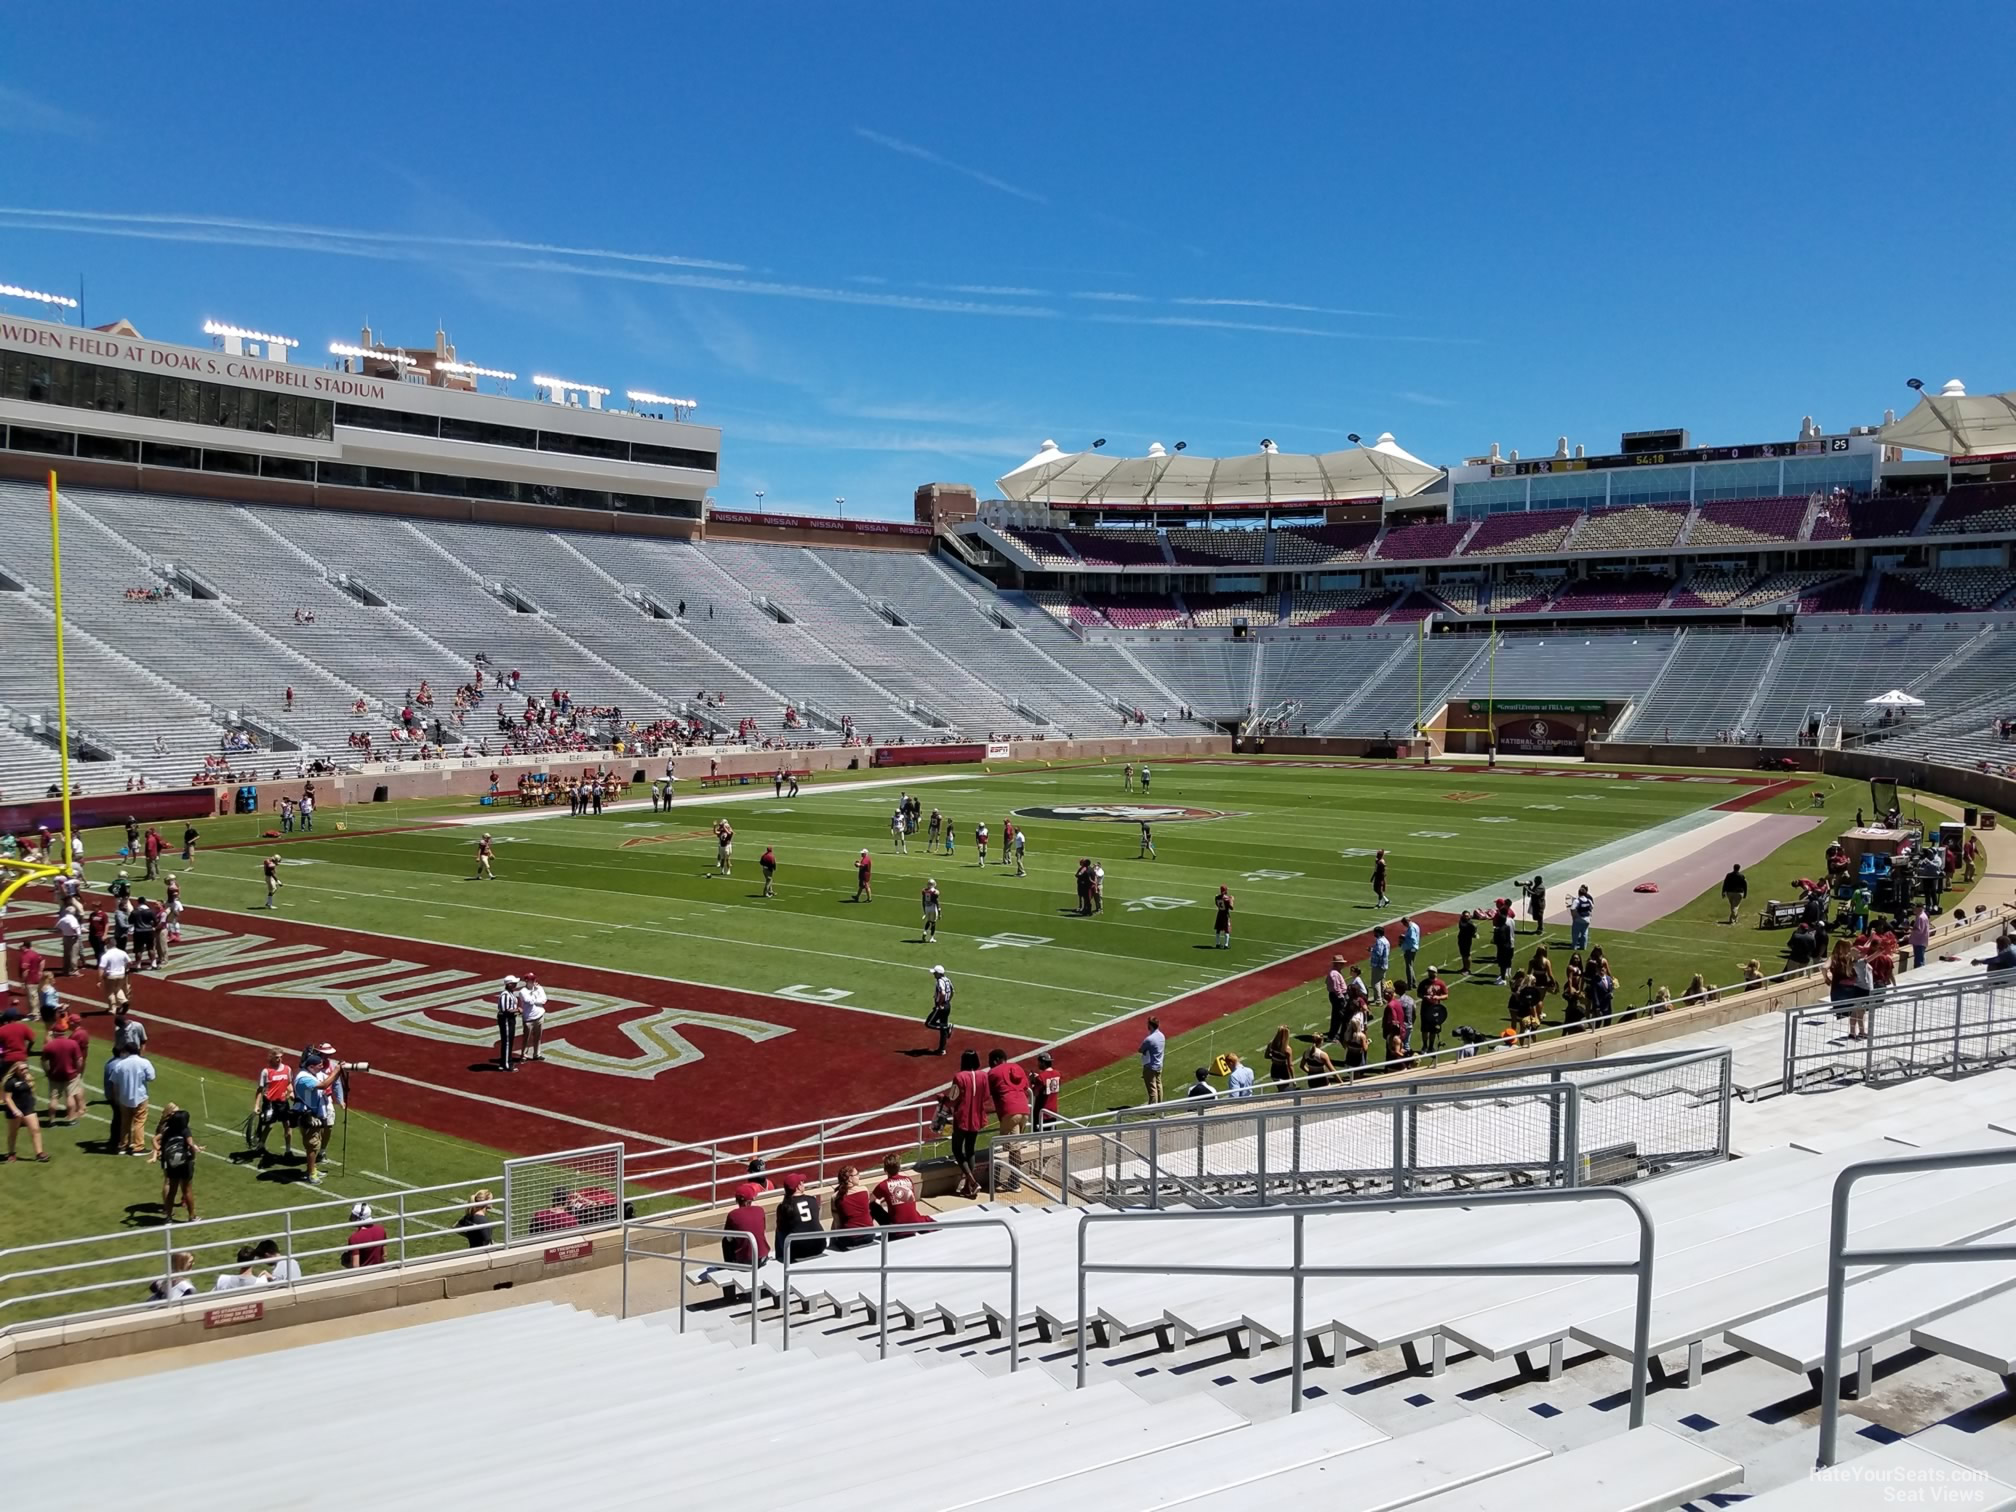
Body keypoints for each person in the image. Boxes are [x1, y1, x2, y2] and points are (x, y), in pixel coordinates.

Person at [946, 1049, 990, 1197]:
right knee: (970, 1149)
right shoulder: (983, 1075)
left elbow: (953, 1098)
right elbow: (986, 1096)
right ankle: (967, 1187)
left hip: (962, 1118)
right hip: (977, 1117)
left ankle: (972, 1181)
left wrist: (942, 1099)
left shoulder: (959, 1077)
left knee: (957, 1149)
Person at [103, 1040, 156, 1156]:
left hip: (124, 1097)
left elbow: (114, 1082)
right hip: (140, 1096)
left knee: (125, 1122)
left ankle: (123, 1146)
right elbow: (151, 1077)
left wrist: (116, 1097)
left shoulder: (120, 1064)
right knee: (139, 1121)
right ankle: (138, 1147)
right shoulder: (144, 1062)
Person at [291, 1055, 338, 1184]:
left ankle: (312, 1169)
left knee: (315, 1143)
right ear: (311, 1066)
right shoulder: (305, 1078)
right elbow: (324, 1085)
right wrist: (336, 1071)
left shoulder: (309, 1075)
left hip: (312, 1113)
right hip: (307, 1115)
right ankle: (311, 1174)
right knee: (312, 1145)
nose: (322, 1067)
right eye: (319, 1065)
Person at [151, 1102, 199, 1220]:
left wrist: (160, 1150)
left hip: (171, 1164)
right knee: (187, 1190)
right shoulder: (185, 1130)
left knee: (172, 1190)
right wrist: (194, 1153)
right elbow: (190, 1145)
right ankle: (192, 1216)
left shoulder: (167, 1130)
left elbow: (155, 1140)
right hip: (184, 1163)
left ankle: (168, 1217)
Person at [252, 1048, 295, 1163]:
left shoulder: (287, 1069)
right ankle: (261, 1145)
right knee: (269, 1125)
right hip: (270, 1103)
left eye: (281, 1057)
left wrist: (291, 1093)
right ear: (271, 1057)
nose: (279, 1059)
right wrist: (256, 1105)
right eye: (277, 1057)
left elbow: (289, 1084)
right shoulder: (266, 1072)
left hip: (283, 1103)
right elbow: (260, 1090)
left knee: (287, 1125)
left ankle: (288, 1150)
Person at [773, 1171, 826, 1263]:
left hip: (797, 1250)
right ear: (798, 1187)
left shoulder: (783, 1207)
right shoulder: (812, 1200)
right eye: (802, 1182)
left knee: (779, 1230)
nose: (803, 1184)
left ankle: (780, 1256)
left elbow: (782, 1228)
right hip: (819, 1245)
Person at [871, 1154, 931, 1233]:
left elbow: (869, 1199)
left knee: (872, 1206)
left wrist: (880, 1201)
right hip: (915, 1222)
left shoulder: (883, 1185)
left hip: (896, 1229)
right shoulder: (908, 1179)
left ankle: (866, 1231)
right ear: (899, 1168)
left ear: (885, 1170)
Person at [40, 1020, 84, 1126]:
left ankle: (51, 1120)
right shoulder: (73, 1043)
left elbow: (43, 1061)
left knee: (54, 1098)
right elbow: (79, 1060)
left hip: (55, 1075)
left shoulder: (49, 1045)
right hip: (70, 1075)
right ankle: (71, 1119)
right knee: (70, 1096)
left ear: (54, 1033)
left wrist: (47, 1072)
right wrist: (78, 1071)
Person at [719, 1182, 770, 1271]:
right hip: (762, 1257)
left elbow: (728, 1238)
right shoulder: (760, 1210)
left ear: (737, 1200)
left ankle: (731, 1267)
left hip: (745, 1261)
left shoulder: (733, 1215)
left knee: (726, 1241)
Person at [3, 1059, 46, 1163]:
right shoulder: (10, 1082)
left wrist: (32, 1100)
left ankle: (39, 1154)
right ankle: (12, 1153)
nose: (25, 1070)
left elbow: (30, 1091)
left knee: (35, 1129)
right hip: (14, 1109)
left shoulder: (28, 1078)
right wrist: (15, 1110)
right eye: (22, 1069)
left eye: (26, 1068)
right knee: (13, 1132)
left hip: (28, 1108)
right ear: (16, 1070)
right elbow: (7, 1098)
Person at [1829, 937, 1870, 1040]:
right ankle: (1858, 1032)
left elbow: (1865, 949)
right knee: (1858, 1013)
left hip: (1861, 989)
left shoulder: (1857, 960)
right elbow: (1871, 954)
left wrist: (1871, 937)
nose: (1860, 951)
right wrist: (1881, 950)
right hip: (1860, 989)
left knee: (1858, 1012)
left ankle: (1858, 1031)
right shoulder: (1859, 962)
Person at [830, 1165, 874, 1250]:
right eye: (857, 1174)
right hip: (869, 1235)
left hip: (849, 1239)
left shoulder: (835, 1197)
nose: (859, 1176)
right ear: (850, 1179)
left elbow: (837, 1223)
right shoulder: (864, 1190)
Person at [987, 1047, 1029, 1135]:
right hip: (1025, 1111)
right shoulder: (1017, 1067)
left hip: (1009, 1111)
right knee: (1015, 1142)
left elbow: (987, 1092)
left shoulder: (993, 1072)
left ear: (996, 1060)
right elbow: (1026, 1087)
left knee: (1009, 1144)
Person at [342, 1203, 389, 1268]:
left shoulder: (355, 1238)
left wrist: (346, 1264)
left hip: (364, 1273)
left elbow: (355, 1266)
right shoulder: (381, 1230)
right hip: (378, 1270)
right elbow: (384, 1256)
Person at [924, 964, 955, 1056]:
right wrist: (948, 1001)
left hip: (941, 1006)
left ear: (938, 974)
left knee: (929, 1023)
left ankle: (947, 1027)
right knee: (942, 1027)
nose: (934, 975)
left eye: (935, 973)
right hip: (947, 1005)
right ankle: (942, 1049)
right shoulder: (947, 980)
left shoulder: (940, 981)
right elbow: (953, 991)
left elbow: (942, 992)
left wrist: (939, 1004)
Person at [494, 974, 522, 1071]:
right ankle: (507, 1064)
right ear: (509, 984)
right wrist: (518, 1010)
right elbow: (505, 1009)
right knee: (507, 1042)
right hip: (506, 1019)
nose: (515, 984)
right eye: (514, 983)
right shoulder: (505, 995)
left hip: (509, 1019)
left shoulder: (510, 993)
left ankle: (503, 1062)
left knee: (508, 1041)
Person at [519, 972, 548, 1061]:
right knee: (526, 1038)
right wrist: (535, 996)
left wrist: (535, 997)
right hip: (529, 1018)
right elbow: (529, 1001)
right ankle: (524, 1055)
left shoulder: (539, 988)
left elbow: (544, 1000)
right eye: (532, 980)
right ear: (526, 981)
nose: (534, 981)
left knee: (538, 1037)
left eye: (534, 979)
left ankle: (537, 1054)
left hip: (539, 1016)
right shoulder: (523, 991)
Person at [1419, 971, 1450, 1055]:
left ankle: (1431, 1047)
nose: (1431, 974)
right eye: (1430, 972)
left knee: (1433, 1029)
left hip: (1436, 1009)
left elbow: (1446, 995)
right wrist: (1425, 996)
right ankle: (1425, 1046)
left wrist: (1438, 997)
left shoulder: (1440, 983)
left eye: (1433, 973)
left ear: (1436, 973)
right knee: (1424, 1029)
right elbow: (1419, 994)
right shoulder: (1423, 983)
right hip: (1425, 1009)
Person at [1139, 1015, 1166, 1104]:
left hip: (1150, 1066)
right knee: (1159, 1085)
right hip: (1159, 1065)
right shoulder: (1162, 1036)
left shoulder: (1149, 1039)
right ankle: (1160, 1104)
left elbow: (1141, 1050)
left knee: (1152, 1090)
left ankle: (1152, 1109)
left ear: (1150, 1025)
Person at [1031, 1051, 1062, 1128]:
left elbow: (1035, 1093)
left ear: (1043, 1063)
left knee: (1040, 1137)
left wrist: (1032, 1082)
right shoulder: (1058, 1074)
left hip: (1042, 1114)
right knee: (1052, 1136)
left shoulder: (1041, 1078)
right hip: (1053, 1112)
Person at [1569, 885, 1595, 952]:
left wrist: (1574, 916)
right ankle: (1583, 947)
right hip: (1587, 920)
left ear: (1579, 893)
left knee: (1575, 934)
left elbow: (1572, 909)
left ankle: (1574, 946)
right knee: (1584, 934)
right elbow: (1591, 908)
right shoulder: (1589, 900)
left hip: (1579, 919)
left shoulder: (1577, 901)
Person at [1368, 926, 1391, 997]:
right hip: (1384, 964)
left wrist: (1371, 950)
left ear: (1378, 933)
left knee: (1375, 982)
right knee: (1382, 981)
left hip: (1378, 965)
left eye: (1375, 932)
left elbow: (1379, 953)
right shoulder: (1386, 940)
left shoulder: (1379, 941)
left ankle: (1378, 999)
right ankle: (1384, 997)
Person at [1399, 915, 1421, 986]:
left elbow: (1412, 940)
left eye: (1404, 924)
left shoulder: (1411, 928)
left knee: (1408, 967)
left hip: (1410, 948)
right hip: (1413, 948)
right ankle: (1414, 982)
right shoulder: (1415, 926)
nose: (1404, 926)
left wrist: (1403, 938)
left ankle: (1410, 983)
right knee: (1410, 965)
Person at [1213, 884, 1235, 949]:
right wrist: (1232, 900)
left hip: (1219, 913)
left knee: (1218, 929)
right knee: (1227, 930)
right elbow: (1231, 908)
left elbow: (1217, 904)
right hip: (1225, 915)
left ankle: (1217, 943)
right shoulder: (1227, 899)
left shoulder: (1217, 897)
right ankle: (1226, 944)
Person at [1910, 905, 1931, 972]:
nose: (1913, 910)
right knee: (1919, 959)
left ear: (1919, 908)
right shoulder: (1921, 916)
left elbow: (1919, 930)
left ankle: (1919, 973)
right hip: (1920, 941)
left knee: (1919, 961)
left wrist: (1911, 928)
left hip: (1919, 942)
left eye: (1914, 908)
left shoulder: (1921, 917)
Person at [1456, 910, 1477, 975]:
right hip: (1461, 939)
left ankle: (1467, 969)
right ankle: (1464, 967)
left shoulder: (1470, 923)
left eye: (1467, 916)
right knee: (1463, 955)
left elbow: (1475, 927)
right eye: (1465, 916)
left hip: (1467, 940)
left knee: (1467, 955)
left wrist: (1473, 934)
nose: (1466, 917)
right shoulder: (1461, 921)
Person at [921, 878, 942, 943]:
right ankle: (932, 938)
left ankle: (925, 931)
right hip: (933, 908)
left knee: (928, 920)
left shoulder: (924, 891)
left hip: (927, 907)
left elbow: (923, 901)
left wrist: (924, 911)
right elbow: (937, 902)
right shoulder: (935, 892)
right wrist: (939, 912)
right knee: (933, 922)